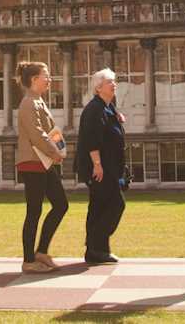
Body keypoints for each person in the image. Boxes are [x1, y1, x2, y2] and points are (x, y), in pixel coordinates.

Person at [15, 61, 68, 273]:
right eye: (46, 75)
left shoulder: (38, 101)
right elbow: (37, 134)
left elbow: (49, 131)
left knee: (61, 204)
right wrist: (54, 152)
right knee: (34, 211)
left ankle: (41, 251)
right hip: (33, 163)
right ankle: (29, 260)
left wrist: (59, 150)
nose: (49, 79)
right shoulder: (28, 102)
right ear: (34, 80)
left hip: (44, 162)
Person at [76, 67, 127, 265]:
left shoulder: (108, 107)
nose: (114, 84)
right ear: (98, 87)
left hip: (110, 167)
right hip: (100, 168)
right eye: (109, 82)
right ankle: (96, 246)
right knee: (116, 205)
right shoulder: (94, 109)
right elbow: (91, 140)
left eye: (115, 81)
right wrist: (97, 164)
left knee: (98, 208)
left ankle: (95, 251)